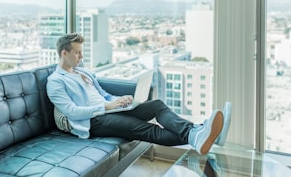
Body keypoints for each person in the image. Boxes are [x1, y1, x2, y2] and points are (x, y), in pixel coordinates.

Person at [46, 33, 231, 155]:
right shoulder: (55, 81)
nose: (81, 57)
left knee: (157, 105)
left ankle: (200, 133)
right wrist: (106, 107)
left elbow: (102, 93)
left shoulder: (83, 72)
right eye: (77, 53)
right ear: (64, 53)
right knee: (146, 129)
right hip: (93, 122)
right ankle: (203, 133)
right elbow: (72, 111)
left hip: (110, 110)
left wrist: (118, 100)